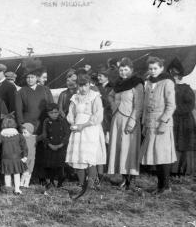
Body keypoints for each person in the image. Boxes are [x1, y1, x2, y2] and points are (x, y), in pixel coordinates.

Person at [65, 74, 106, 199]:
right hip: (78, 129)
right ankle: (82, 186)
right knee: (79, 158)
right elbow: (71, 113)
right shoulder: (75, 97)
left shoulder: (95, 97)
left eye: (85, 85)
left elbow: (98, 115)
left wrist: (84, 125)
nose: (83, 88)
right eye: (80, 86)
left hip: (90, 129)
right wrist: (72, 123)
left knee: (89, 158)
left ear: (89, 85)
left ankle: (90, 187)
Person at [140, 56, 177, 194]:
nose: (153, 71)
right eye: (150, 69)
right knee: (156, 155)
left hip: (162, 124)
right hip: (150, 124)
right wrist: (144, 123)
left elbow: (171, 105)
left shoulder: (167, 82)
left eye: (155, 68)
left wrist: (164, 122)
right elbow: (145, 106)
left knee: (163, 155)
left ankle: (166, 186)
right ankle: (160, 185)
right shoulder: (149, 82)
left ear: (161, 68)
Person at [107, 58, 144, 190]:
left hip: (130, 121)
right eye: (121, 70)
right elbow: (110, 96)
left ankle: (131, 180)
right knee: (120, 149)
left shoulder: (137, 84)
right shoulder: (118, 84)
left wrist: (132, 122)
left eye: (126, 70)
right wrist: (113, 106)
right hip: (117, 120)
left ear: (132, 70)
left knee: (130, 150)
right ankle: (123, 179)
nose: (123, 72)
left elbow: (139, 106)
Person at [0, 113, 28, 195]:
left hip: (5, 158)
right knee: (16, 174)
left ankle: (8, 189)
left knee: (7, 174)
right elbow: (25, 147)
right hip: (17, 158)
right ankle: (17, 189)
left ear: (3, 124)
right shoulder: (19, 135)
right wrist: (25, 156)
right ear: (14, 124)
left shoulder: (2, 135)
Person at [168, 58, 196, 176]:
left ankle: (182, 169)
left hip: (184, 121)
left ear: (180, 75)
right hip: (171, 119)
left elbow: (190, 105)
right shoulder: (168, 87)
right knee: (171, 143)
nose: (174, 77)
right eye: (171, 74)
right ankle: (170, 169)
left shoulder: (186, 88)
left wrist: (175, 110)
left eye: (175, 75)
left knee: (183, 144)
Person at [39, 103, 70, 189]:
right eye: (51, 113)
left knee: (60, 165)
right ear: (48, 113)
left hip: (61, 147)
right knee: (50, 165)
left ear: (59, 112)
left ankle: (59, 181)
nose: (54, 114)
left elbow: (67, 134)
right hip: (50, 147)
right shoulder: (46, 121)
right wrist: (49, 144)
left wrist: (61, 144)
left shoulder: (63, 121)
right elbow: (44, 135)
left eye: (56, 112)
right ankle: (50, 181)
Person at [20, 123, 36, 188]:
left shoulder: (34, 138)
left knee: (29, 171)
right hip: (25, 158)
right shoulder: (22, 139)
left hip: (32, 158)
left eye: (25, 132)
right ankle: (21, 183)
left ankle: (26, 183)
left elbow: (42, 136)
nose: (23, 134)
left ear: (30, 132)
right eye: (22, 132)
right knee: (24, 172)